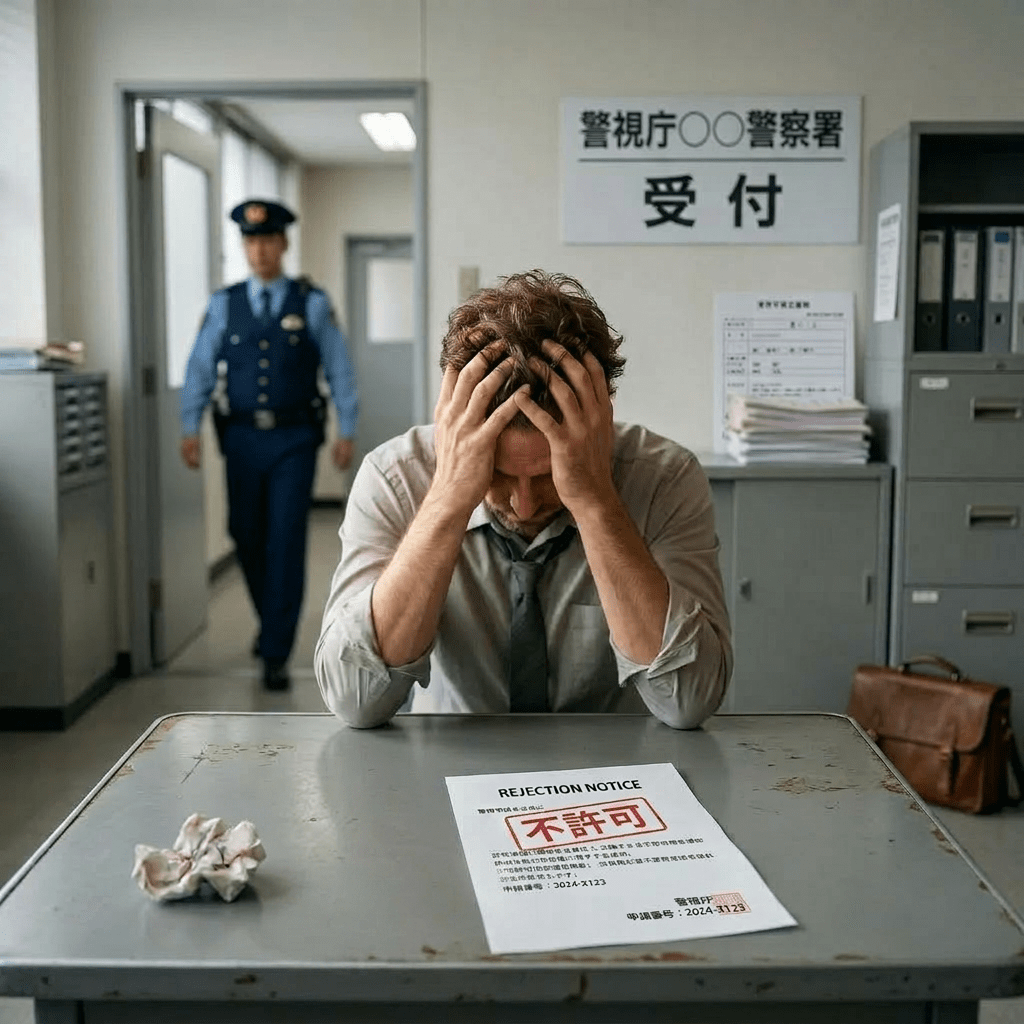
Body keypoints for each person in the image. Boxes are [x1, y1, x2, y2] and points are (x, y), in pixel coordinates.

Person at [315, 269, 730, 727]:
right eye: (498, 475)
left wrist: (594, 502)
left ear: (599, 425)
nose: (524, 506)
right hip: (449, 762)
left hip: (618, 769)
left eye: (550, 476)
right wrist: (449, 499)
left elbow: (688, 701)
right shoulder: (395, 477)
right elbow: (355, 700)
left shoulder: (664, 479)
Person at [181, 198, 358, 691]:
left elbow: (340, 369)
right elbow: (200, 367)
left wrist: (347, 428)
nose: (258, 250)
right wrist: (188, 425)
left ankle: (276, 650)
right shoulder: (224, 303)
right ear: (245, 247)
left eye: (267, 240)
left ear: (283, 243)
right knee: (244, 532)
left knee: (285, 540)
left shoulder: (312, 302)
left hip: (295, 440)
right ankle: (270, 621)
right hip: (239, 438)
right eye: (250, 241)